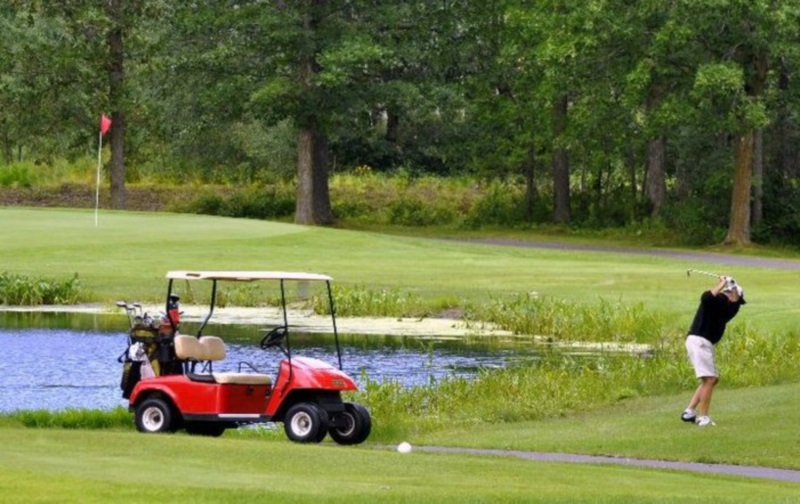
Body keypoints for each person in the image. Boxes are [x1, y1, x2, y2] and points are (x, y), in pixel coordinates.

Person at [681, 275, 746, 427]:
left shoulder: (729, 308)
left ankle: (689, 412)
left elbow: (733, 302)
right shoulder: (717, 301)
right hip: (699, 340)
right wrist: (723, 284)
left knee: (712, 379)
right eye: (736, 296)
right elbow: (706, 297)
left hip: (703, 343)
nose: (738, 302)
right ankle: (703, 418)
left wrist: (732, 286)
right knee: (709, 379)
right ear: (728, 293)